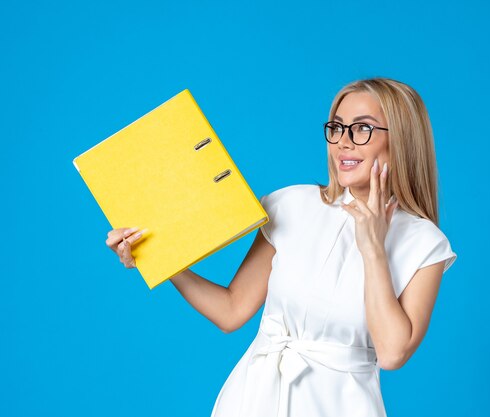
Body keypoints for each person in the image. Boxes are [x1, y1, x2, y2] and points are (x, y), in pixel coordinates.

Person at [105, 77, 457, 417]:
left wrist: (373, 247)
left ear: (402, 140)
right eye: (336, 128)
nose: (343, 143)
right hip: (252, 399)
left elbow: (393, 353)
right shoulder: (290, 205)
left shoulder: (424, 243)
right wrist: (158, 257)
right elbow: (232, 311)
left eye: (362, 129)